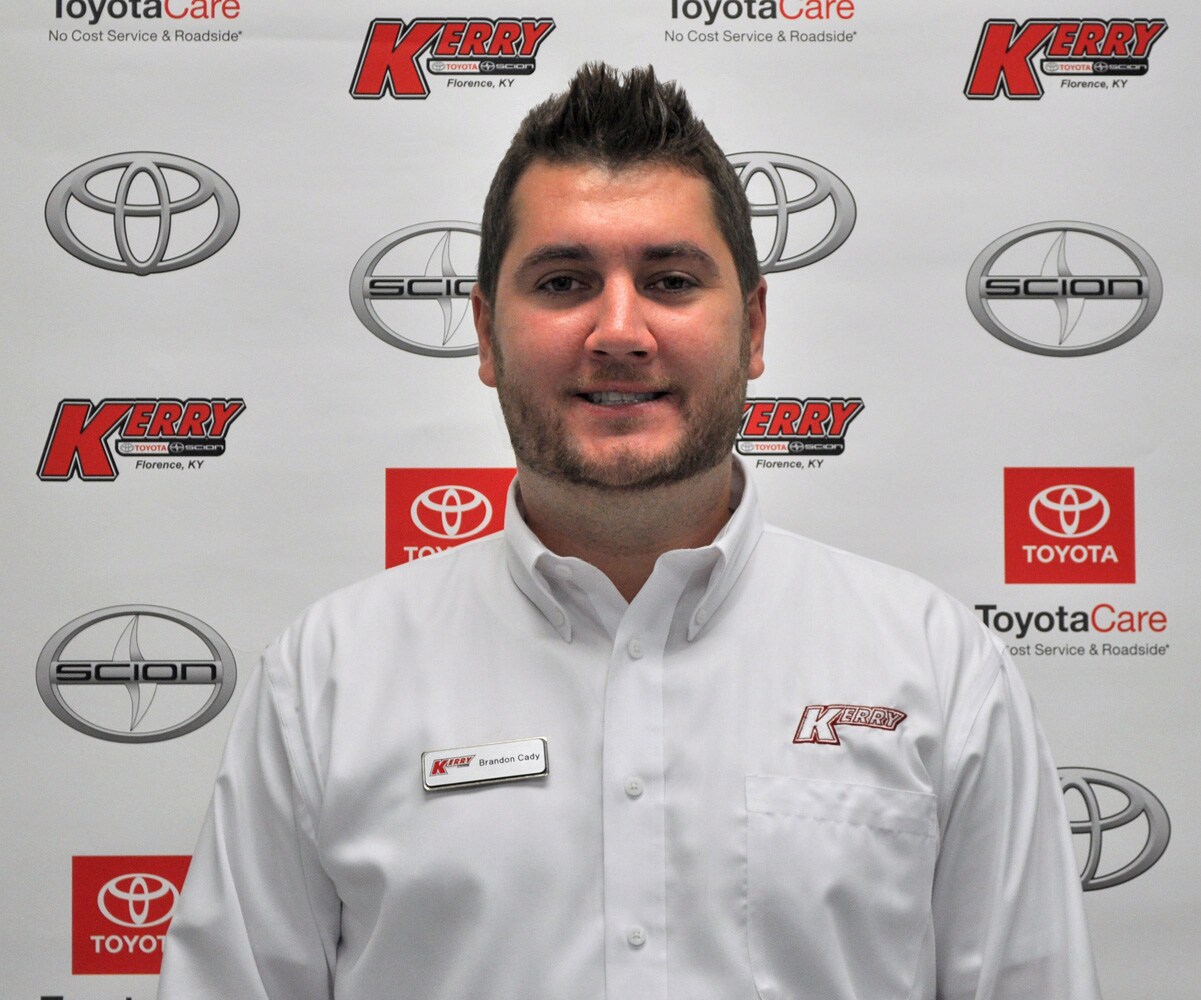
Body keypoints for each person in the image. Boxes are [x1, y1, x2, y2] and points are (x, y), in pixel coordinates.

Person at [157, 63, 1101, 1000]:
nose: (618, 331)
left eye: (671, 280)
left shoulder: (933, 667)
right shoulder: (328, 678)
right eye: (564, 281)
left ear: (753, 328)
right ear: (484, 334)